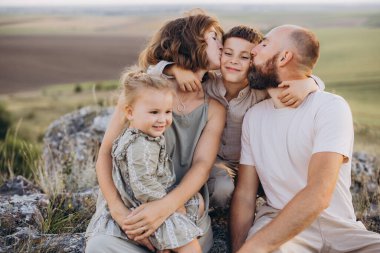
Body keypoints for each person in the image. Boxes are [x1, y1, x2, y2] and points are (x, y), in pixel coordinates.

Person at [231, 24, 380, 253]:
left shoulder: (330, 107)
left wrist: (256, 247)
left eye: (264, 44)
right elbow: (245, 195)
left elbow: (319, 193)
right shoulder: (254, 117)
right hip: (276, 222)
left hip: (339, 227)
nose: (253, 51)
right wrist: (241, 247)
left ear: (284, 57)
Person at [85, 11, 226, 253]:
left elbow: (202, 166)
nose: (222, 45)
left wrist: (164, 207)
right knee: (100, 247)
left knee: (184, 244)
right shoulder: (142, 92)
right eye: (214, 38)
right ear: (192, 42)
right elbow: (105, 153)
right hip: (130, 204)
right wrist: (117, 210)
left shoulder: (213, 107)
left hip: (180, 202)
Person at [149, 25, 325, 208]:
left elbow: (302, 79)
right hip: (215, 162)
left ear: (255, 60)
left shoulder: (260, 90)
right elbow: (150, 72)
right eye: (228, 53)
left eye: (244, 57)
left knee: (279, 189)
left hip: (250, 165)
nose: (234, 61)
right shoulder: (206, 84)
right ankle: (215, 213)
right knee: (222, 189)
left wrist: (310, 84)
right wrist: (174, 69)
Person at [110, 70, 205, 252]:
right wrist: (172, 206)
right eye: (154, 112)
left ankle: (166, 242)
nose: (162, 119)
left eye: (168, 112)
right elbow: (142, 184)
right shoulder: (139, 145)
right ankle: (171, 237)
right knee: (191, 247)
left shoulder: (145, 136)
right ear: (130, 113)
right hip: (147, 206)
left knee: (197, 202)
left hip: (156, 196)